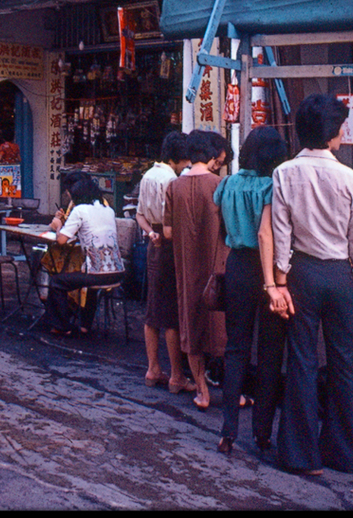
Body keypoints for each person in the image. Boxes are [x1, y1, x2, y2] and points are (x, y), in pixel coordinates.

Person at [271, 93, 353, 475]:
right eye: (341, 128)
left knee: (302, 362)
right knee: (343, 362)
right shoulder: (349, 177)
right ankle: (345, 455)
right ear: (332, 134)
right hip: (340, 275)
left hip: (302, 275)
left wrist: (280, 282)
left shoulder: (284, 173)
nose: (343, 134)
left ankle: (301, 456)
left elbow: (282, 234)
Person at [213, 126, 288, 455]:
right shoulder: (273, 186)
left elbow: (220, 228)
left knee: (236, 348)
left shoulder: (227, 184)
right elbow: (269, 234)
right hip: (267, 270)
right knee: (270, 353)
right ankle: (262, 432)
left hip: (237, 267)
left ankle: (228, 431)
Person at [163, 130, 228, 412]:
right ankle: (231, 393)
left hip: (186, 269)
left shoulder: (174, 187)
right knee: (221, 327)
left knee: (191, 324)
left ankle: (202, 391)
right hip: (218, 269)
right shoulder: (219, 185)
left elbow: (167, 232)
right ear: (211, 155)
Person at [134, 131, 194, 394]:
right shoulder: (171, 179)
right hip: (169, 245)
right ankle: (177, 376)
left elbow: (138, 215)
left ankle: (153, 368)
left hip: (153, 244)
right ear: (177, 157)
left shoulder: (148, 175)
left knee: (152, 310)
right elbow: (173, 222)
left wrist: (150, 233)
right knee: (170, 314)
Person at [42, 177, 126, 336]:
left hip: (97, 275)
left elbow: (61, 241)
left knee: (57, 282)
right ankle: (85, 325)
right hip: (118, 273)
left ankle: (62, 326)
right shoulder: (109, 210)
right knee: (91, 281)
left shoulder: (79, 210)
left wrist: (58, 224)